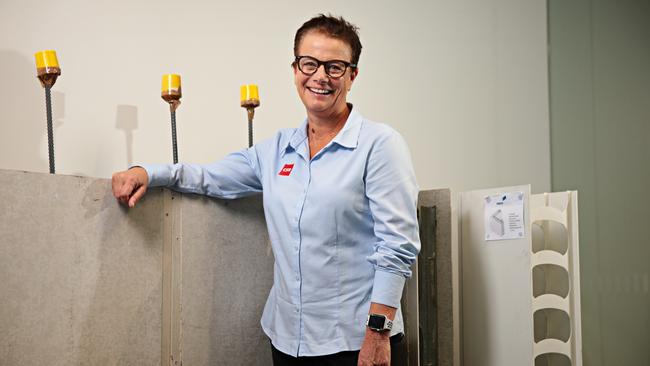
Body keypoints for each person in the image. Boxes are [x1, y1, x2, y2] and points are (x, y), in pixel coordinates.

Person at [112, 14, 420, 366]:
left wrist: (378, 334)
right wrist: (147, 172)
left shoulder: (380, 145)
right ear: (295, 70)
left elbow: (398, 245)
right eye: (309, 64)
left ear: (352, 75)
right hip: (287, 339)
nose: (320, 76)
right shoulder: (276, 150)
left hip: (354, 343)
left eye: (335, 67)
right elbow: (209, 176)